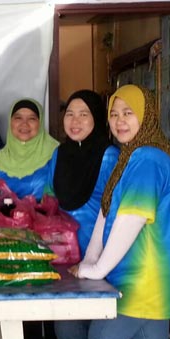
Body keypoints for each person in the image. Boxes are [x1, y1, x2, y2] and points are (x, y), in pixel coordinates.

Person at [56, 84, 170, 339]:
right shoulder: (132, 156)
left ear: (146, 115)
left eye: (128, 113)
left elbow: (131, 219)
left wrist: (96, 269)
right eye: (114, 114)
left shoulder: (147, 158)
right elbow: (107, 214)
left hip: (145, 276)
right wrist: (89, 261)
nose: (119, 121)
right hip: (146, 276)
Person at [46, 90, 119, 257]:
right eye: (69, 114)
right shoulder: (59, 153)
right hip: (61, 251)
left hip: (99, 254)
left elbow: (117, 214)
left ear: (97, 118)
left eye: (83, 114)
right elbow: (49, 197)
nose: (75, 121)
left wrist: (99, 261)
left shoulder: (109, 157)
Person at [0, 98, 59, 200]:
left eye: (32, 119)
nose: (24, 124)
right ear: (10, 122)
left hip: (45, 215)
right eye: (18, 118)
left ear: (40, 123)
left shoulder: (55, 155)